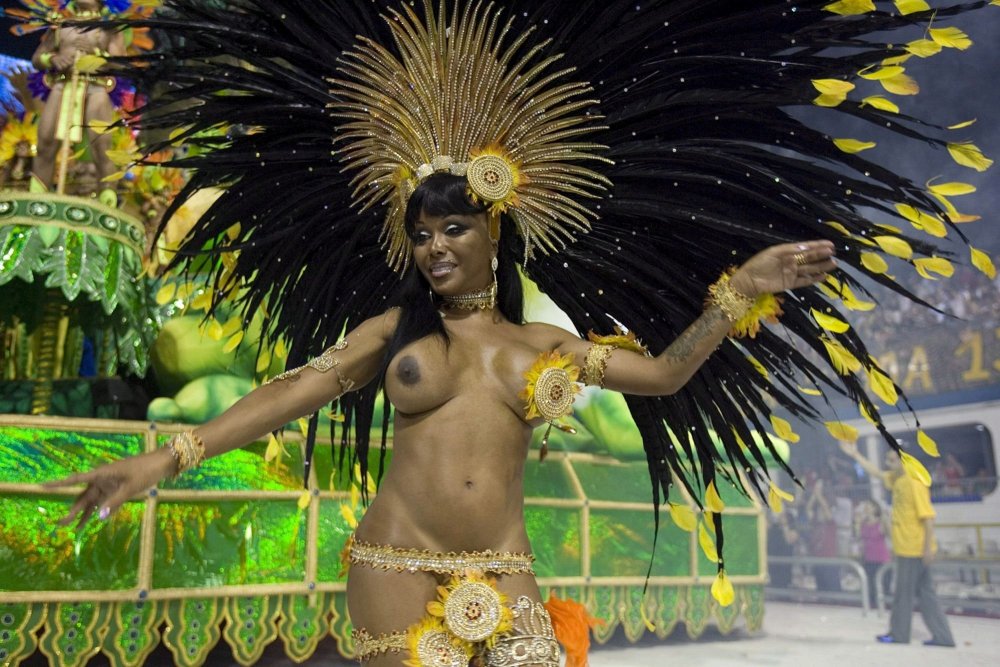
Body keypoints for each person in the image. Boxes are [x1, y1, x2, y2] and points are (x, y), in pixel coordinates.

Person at [38, 1, 991, 664]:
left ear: (496, 229)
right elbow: (292, 390)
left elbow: (660, 375)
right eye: (421, 231)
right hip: (392, 562)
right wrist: (166, 458)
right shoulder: (391, 331)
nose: (435, 246)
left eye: (454, 227)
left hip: (506, 565)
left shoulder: (545, 349)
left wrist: (735, 293)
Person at [839, 441, 956, 648]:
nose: (888, 462)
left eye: (893, 459)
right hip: (909, 547)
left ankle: (899, 634)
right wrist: (856, 454)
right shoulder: (898, 479)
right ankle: (943, 636)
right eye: (888, 459)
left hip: (914, 548)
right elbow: (877, 473)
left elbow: (928, 518)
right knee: (926, 593)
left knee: (903, 592)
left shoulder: (914, 482)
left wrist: (927, 548)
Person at [29, 0, 124, 193]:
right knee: (45, 142)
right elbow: (37, 58)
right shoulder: (60, 23)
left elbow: (122, 62)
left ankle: (107, 202)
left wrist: (98, 58)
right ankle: (38, 199)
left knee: (101, 148)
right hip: (62, 85)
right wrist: (54, 59)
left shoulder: (109, 26)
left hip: (95, 87)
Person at [856, 500, 891, 609]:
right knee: (870, 586)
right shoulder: (863, 523)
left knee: (882, 586)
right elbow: (858, 537)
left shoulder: (881, 522)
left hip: (881, 559)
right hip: (868, 558)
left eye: (869, 506)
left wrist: (886, 518)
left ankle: (883, 607)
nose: (866, 507)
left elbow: (890, 534)